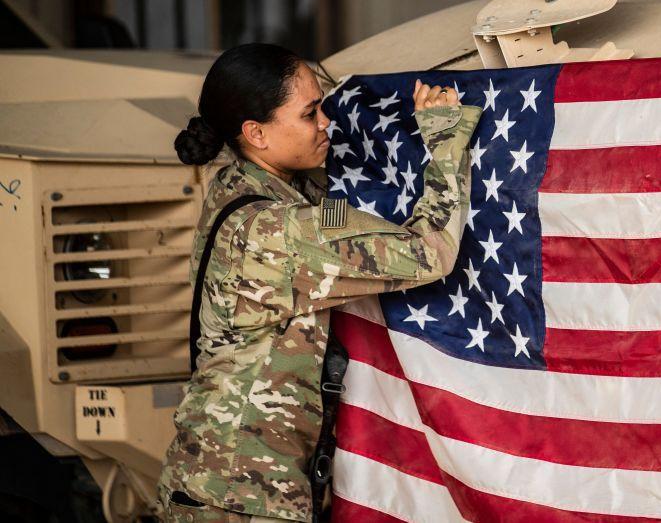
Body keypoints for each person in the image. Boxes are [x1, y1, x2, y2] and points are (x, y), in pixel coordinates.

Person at [159, 43, 480, 522]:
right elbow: (429, 252)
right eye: (310, 113)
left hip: (226, 488)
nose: (327, 122)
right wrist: (445, 137)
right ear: (256, 133)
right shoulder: (275, 231)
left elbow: (337, 215)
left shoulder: (244, 186)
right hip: (240, 501)